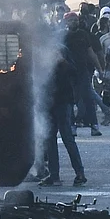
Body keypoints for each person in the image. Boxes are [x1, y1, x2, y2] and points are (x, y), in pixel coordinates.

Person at [63, 12, 110, 136]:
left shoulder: (83, 35)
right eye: (71, 20)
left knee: (88, 98)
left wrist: (100, 69)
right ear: (66, 22)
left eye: (75, 20)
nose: (74, 22)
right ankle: (72, 126)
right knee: (71, 100)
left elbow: (91, 53)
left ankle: (94, 126)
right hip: (68, 73)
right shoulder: (63, 36)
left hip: (83, 71)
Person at [42, 47, 87, 186]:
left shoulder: (62, 50)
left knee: (67, 138)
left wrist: (62, 61)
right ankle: (54, 175)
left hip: (62, 102)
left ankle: (79, 173)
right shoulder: (42, 52)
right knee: (50, 141)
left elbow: (74, 72)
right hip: (49, 102)